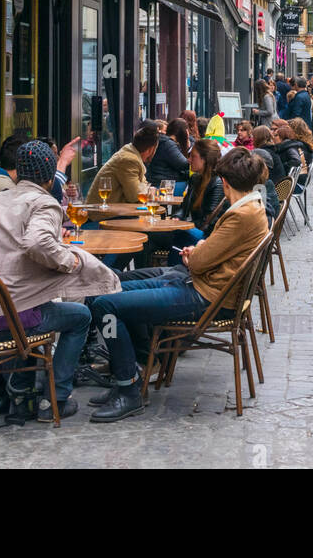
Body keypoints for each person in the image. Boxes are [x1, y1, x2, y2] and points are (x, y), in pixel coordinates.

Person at [87, 149, 270, 422]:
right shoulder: (250, 208)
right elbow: (210, 252)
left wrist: (194, 255)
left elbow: (198, 263)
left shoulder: (241, 214)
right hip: (203, 287)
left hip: (204, 296)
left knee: (106, 306)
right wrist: (199, 252)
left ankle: (128, 386)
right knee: (110, 286)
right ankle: (137, 365)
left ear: (226, 181)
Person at [0, 141, 120, 422]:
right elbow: (37, 241)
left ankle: (21, 387)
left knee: (37, 299)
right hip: (13, 320)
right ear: (48, 177)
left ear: (17, 174)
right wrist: (71, 261)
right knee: (79, 315)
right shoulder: (44, 202)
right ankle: (54, 399)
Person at [86, 127, 161, 209]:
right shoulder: (129, 160)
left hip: (112, 211)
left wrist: (145, 188)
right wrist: (150, 190)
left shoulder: (130, 154)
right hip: (102, 215)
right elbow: (135, 196)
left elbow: (143, 185)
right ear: (151, 149)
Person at [144, 120, 192, 195]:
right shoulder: (168, 144)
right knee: (192, 185)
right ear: (184, 132)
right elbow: (184, 164)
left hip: (157, 181)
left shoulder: (164, 142)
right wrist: (189, 149)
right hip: (161, 184)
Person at [34, 136, 82, 203]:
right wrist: (63, 161)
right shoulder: (41, 181)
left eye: (57, 154)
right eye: (54, 154)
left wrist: (72, 194)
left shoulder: (60, 178)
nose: (58, 158)